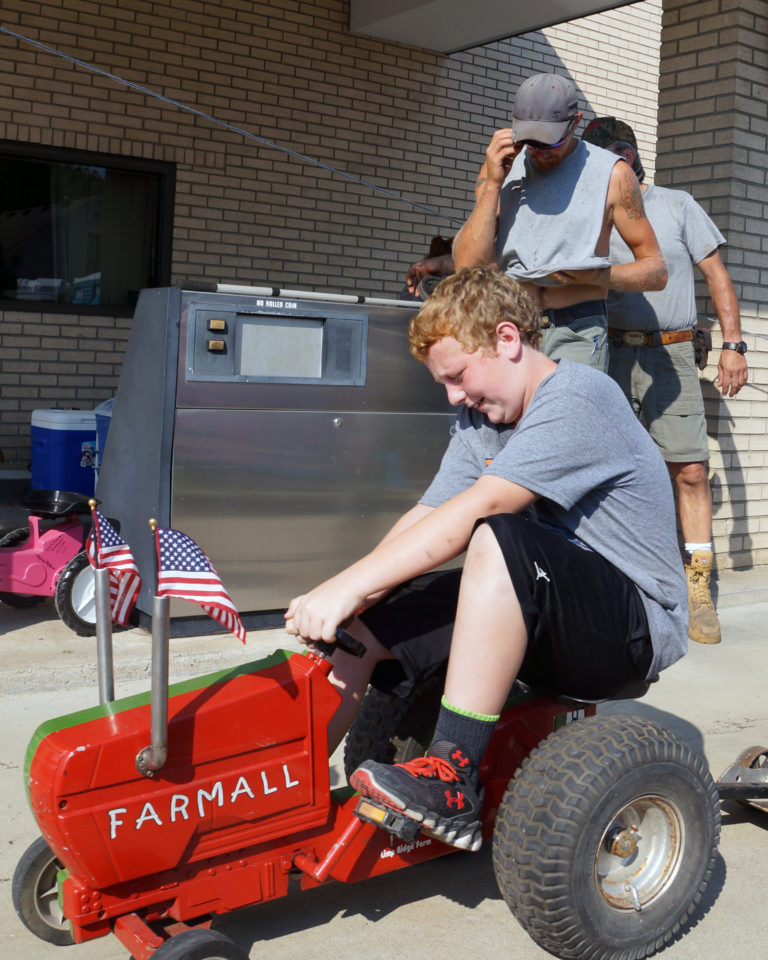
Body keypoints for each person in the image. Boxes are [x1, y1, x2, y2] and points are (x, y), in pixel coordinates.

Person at [285, 265, 687, 852]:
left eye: (459, 376)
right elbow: (428, 514)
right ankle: (286, 791)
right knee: (369, 622)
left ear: (506, 339)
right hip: (544, 606)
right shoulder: (481, 419)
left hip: (631, 630)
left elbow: (487, 505)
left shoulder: (580, 398)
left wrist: (350, 585)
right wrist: (351, 594)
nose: (455, 396)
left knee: (495, 535)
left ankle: (453, 777)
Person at [581, 117, 749, 645]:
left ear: (629, 155)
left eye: (610, 155)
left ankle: (697, 592)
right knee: (603, 474)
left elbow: (716, 275)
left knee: (692, 473)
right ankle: (616, 582)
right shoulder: (588, 212)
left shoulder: (678, 205)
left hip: (671, 356)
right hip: (604, 354)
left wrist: (733, 345)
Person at [451, 72, 667, 372]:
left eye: (549, 143)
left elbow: (656, 271)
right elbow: (467, 265)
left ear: (575, 122)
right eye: (530, 142)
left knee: (570, 418)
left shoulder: (613, 174)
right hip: (510, 325)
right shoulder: (500, 167)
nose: (538, 153)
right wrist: (492, 185)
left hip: (577, 330)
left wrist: (596, 276)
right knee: (508, 420)